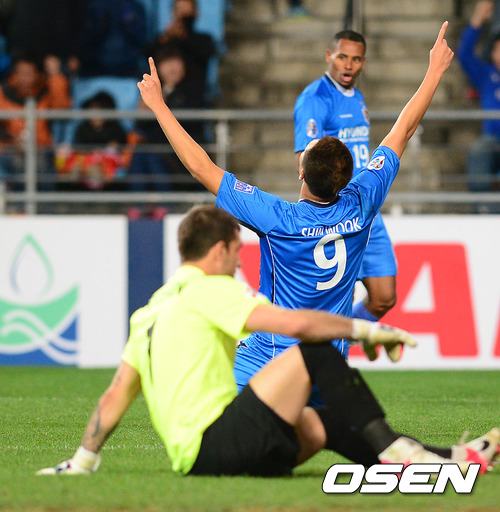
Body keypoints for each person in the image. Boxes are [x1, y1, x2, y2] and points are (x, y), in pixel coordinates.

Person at [36, 204, 499, 476]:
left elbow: (117, 393)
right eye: (237, 252)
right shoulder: (211, 289)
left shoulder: (151, 310)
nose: (240, 264)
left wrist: (82, 461)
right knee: (314, 352)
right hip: (218, 443)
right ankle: (399, 454)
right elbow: (296, 326)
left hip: (202, 456)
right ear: (219, 250)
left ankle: (454, 459)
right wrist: (365, 328)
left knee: (323, 424)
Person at [133, 24, 458, 397]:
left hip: (269, 362)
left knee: (200, 395)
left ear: (301, 170)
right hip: (325, 371)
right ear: (349, 177)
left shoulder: (278, 219)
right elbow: (404, 129)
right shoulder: (364, 201)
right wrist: (434, 71)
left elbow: (201, 168)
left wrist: (158, 105)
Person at [294, 30, 397, 328]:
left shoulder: (357, 97)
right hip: (336, 213)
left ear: (364, 61)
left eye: (356, 59)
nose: (348, 65)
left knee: (384, 297)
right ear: (329, 56)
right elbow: (305, 158)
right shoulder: (314, 98)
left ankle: (346, 335)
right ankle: (328, 345)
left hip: (366, 209)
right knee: (335, 302)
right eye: (342, 57)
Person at [128, 49, 205, 196]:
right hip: (158, 147)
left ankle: (165, 202)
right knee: (141, 152)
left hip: (183, 148)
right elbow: (142, 126)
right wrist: (144, 111)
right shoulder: (155, 92)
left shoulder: (193, 88)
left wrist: (161, 104)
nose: (172, 68)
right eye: (167, 63)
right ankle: (138, 202)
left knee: (153, 154)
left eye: (176, 62)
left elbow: (190, 121)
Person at [0, 54, 71, 191]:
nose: (23, 78)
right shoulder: (3, 92)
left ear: (38, 75)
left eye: (28, 74)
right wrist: (10, 142)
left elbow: (62, 107)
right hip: (10, 152)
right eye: (19, 73)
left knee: (43, 165)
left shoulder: (46, 91)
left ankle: (43, 204)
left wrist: (55, 75)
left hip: (41, 152)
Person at [458, 0, 500, 193]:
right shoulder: (486, 75)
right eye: (498, 49)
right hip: (491, 140)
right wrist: (478, 19)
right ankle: (483, 208)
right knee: (478, 155)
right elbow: (464, 55)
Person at [143, 0, 216, 105]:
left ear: (196, 13)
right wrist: (165, 38)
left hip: (194, 99)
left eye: (186, 12)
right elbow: (147, 55)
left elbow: (206, 52)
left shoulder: (203, 40)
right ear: (173, 13)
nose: (182, 16)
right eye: (179, 11)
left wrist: (184, 37)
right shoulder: (165, 40)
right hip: (165, 97)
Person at [56, 91, 129, 191]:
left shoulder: (115, 128)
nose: (95, 114)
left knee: (100, 164)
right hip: (86, 161)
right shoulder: (83, 128)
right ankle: (78, 176)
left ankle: (93, 176)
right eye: (92, 110)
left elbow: (119, 149)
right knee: (74, 161)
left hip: (105, 164)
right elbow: (78, 147)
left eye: (99, 110)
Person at [78, 0, 147, 78]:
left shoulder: (134, 8)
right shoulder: (95, 7)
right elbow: (85, 40)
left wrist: (130, 24)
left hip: (128, 68)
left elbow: (142, 41)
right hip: (96, 68)